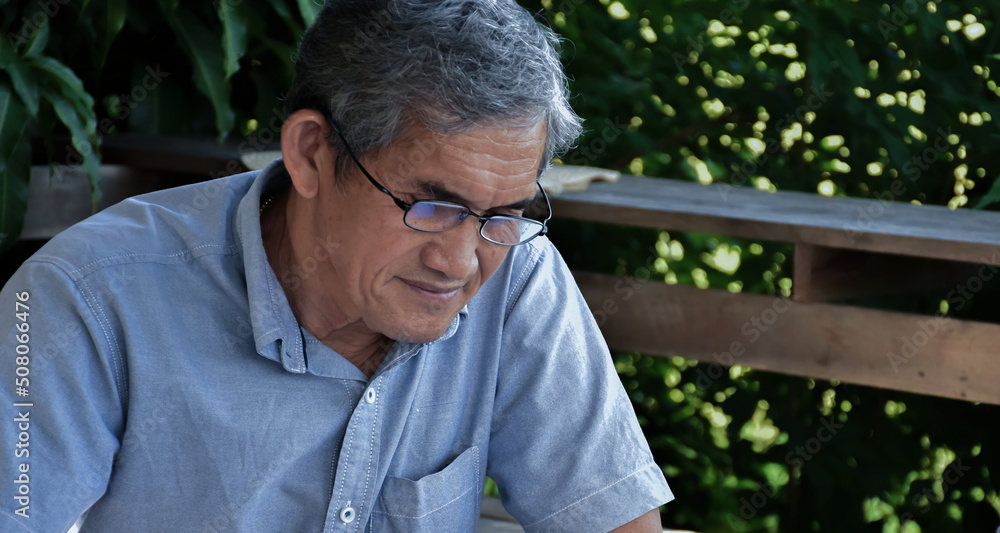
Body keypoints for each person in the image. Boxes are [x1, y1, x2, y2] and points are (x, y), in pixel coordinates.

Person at [0, 1, 672, 531]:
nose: (461, 262)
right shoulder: (85, 298)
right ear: (310, 154)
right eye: (431, 206)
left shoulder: (517, 273)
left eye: (502, 213)